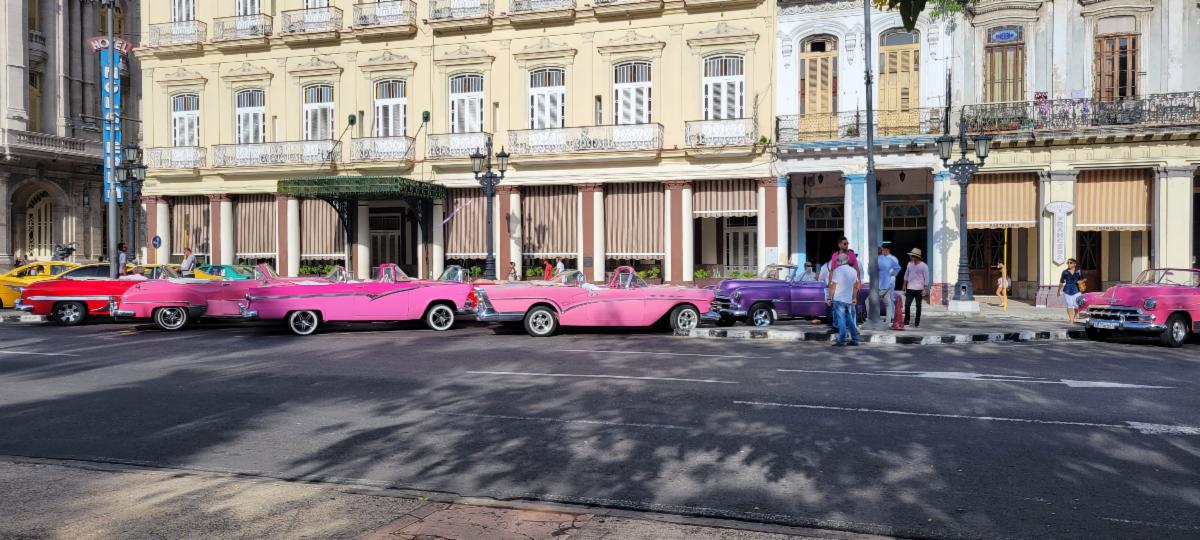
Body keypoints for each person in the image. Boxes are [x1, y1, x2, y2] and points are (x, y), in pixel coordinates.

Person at [827, 253, 861, 346]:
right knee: (849, 320)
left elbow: (833, 286)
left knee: (841, 320)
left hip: (839, 299)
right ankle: (854, 339)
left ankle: (841, 340)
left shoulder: (837, 271)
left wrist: (829, 297)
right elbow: (856, 286)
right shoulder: (853, 271)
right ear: (847, 260)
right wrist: (854, 297)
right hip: (848, 299)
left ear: (839, 261)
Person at [903, 248, 929, 327]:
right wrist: (904, 285)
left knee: (918, 306)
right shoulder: (909, 264)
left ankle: (917, 322)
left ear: (916, 257)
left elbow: (926, 278)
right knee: (907, 305)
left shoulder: (924, 266)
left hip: (919, 289)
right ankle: (906, 321)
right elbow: (906, 275)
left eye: (912, 256)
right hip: (910, 288)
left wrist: (925, 289)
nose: (910, 257)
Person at [876, 244, 901, 324]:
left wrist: (891, 274)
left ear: (886, 250)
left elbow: (896, 268)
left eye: (883, 250)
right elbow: (897, 268)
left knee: (889, 298)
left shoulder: (891, 258)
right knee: (888, 300)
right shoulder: (888, 258)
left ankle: (891, 316)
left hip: (887, 280)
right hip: (888, 280)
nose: (883, 251)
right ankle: (890, 318)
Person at [1058, 258, 1086, 324]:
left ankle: (1075, 316)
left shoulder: (1079, 271)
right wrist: (1058, 291)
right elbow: (1061, 282)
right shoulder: (1065, 272)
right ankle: (1071, 319)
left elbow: (1085, 278)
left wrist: (1081, 281)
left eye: (1070, 263)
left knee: (1077, 305)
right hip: (1067, 290)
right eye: (1068, 263)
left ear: (1074, 264)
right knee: (1069, 304)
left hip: (1077, 290)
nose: (1069, 264)